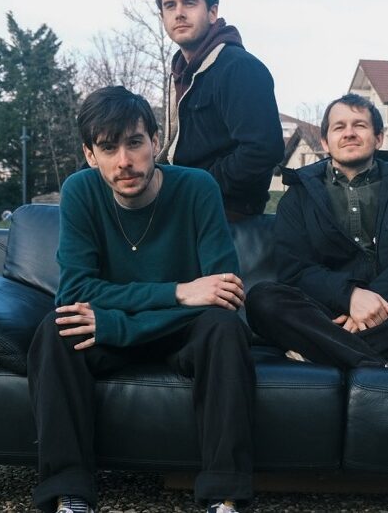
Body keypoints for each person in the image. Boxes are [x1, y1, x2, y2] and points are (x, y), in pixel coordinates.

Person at [27, 86, 254, 513]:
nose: (124, 161)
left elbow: (224, 293)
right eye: (107, 148)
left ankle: (224, 497)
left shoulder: (198, 187)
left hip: (179, 335)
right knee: (58, 329)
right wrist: (180, 291)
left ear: (156, 141)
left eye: (134, 143)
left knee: (224, 328)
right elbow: (74, 293)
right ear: (90, 155)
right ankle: (69, 494)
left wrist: (117, 320)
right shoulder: (80, 191)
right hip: (124, 330)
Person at [246, 93, 388, 370]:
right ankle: (381, 364)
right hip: (325, 314)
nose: (349, 133)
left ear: (379, 138)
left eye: (360, 125)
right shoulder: (298, 198)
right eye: (339, 127)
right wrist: (350, 297)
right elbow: (295, 269)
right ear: (325, 141)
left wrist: (372, 301)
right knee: (263, 299)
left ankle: (324, 351)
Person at [146, 0, 284, 220]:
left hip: (225, 217)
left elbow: (263, 150)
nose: (179, 13)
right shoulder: (182, 72)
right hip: (185, 211)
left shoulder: (238, 68)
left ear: (212, 12)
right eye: (170, 5)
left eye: (189, 2)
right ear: (162, 16)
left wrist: (197, 189)